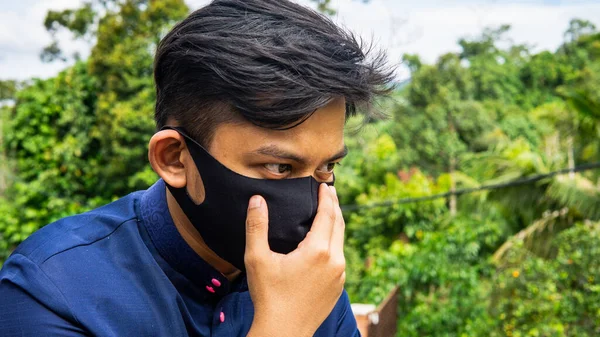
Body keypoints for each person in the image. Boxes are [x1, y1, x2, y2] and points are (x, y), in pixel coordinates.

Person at [0, 0, 393, 335]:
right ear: (174, 158)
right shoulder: (53, 290)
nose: (311, 204)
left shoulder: (310, 277)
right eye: (278, 166)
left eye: (327, 167)